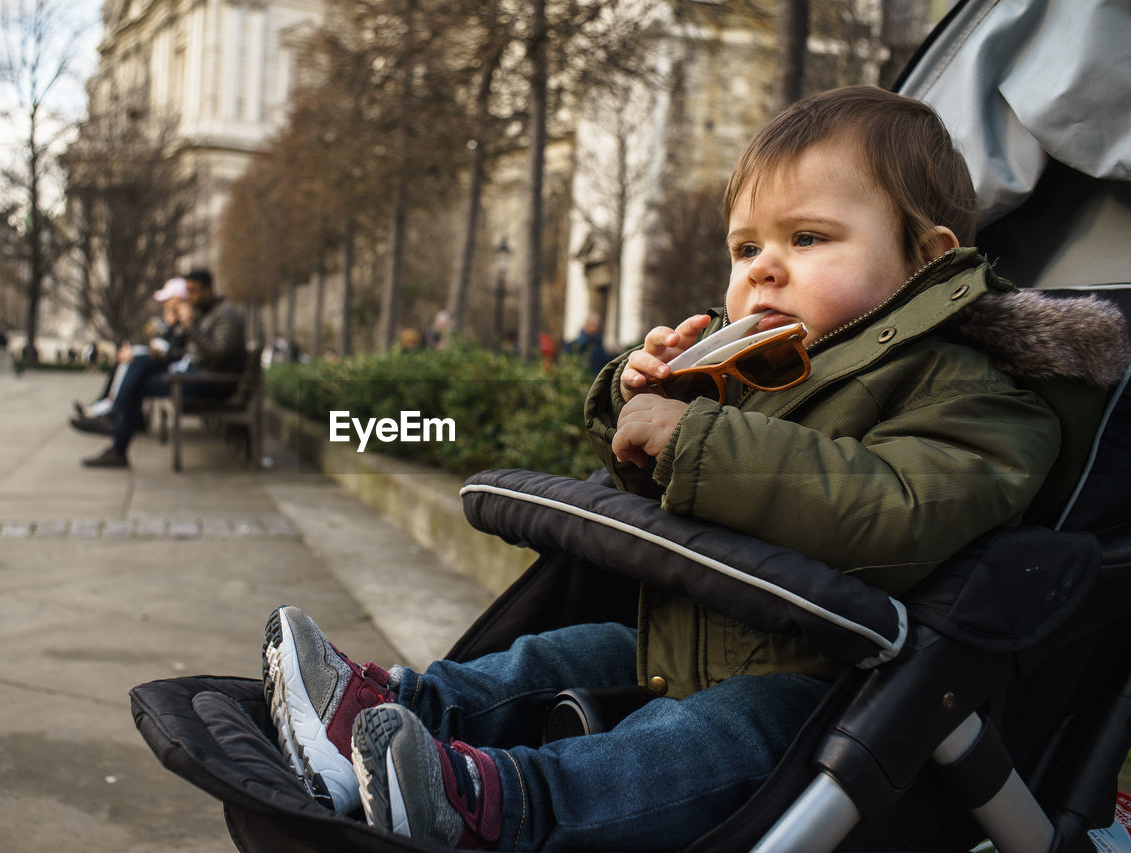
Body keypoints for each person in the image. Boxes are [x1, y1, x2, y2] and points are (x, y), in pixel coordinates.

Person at [259, 86, 1129, 849]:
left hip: (827, 695)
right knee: (559, 654)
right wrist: (638, 405)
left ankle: (490, 805)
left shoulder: (985, 392)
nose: (764, 270)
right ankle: (386, 713)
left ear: (929, 258)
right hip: (695, 636)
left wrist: (698, 438)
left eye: (810, 236)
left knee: (704, 739)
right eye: (745, 248)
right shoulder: (767, 370)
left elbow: (896, 513)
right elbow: (679, 498)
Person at [80, 268, 245, 469]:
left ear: (209, 290)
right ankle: (115, 427)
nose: (190, 297)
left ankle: (116, 433)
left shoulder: (226, 314)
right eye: (188, 291)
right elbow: (193, 352)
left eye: (194, 291)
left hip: (211, 382)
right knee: (140, 363)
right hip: (195, 375)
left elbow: (219, 355)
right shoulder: (209, 313)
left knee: (139, 375)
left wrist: (189, 326)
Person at [70, 277, 189, 431]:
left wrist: (175, 328)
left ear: (178, 300)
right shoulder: (169, 322)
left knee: (134, 360)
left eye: (168, 299)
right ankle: (106, 408)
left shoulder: (185, 322)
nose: (164, 303)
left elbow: (179, 353)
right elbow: (155, 342)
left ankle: (113, 413)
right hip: (164, 364)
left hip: (173, 370)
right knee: (129, 358)